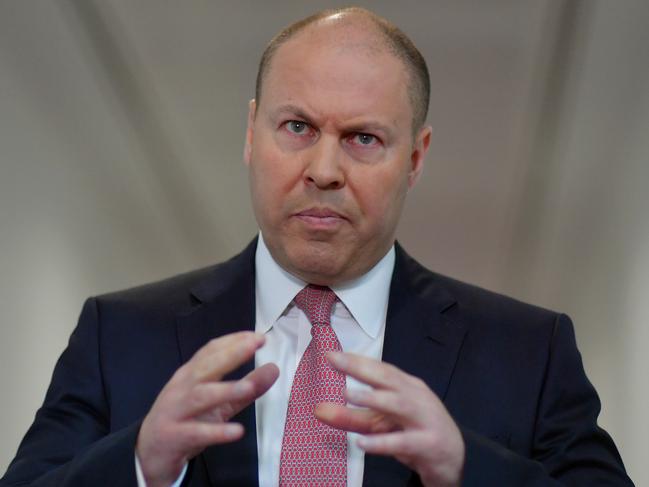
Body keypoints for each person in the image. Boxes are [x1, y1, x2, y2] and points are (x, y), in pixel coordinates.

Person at [0, 7, 633, 487]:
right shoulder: (120, 336)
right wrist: (139, 462)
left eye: (362, 138)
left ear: (415, 159)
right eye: (297, 127)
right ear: (252, 134)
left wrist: (464, 466)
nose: (324, 169)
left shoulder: (527, 350)